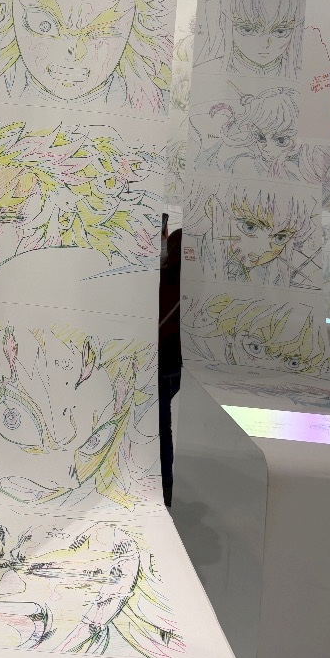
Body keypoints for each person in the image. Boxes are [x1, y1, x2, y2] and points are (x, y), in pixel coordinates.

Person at [158, 216, 181, 507]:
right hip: (173, 364)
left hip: (161, 362)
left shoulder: (165, 283)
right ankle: (166, 486)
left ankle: (164, 485)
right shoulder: (186, 286)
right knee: (164, 427)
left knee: (161, 426)